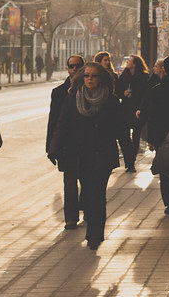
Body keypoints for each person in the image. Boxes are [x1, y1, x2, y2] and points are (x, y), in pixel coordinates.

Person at [48, 62, 123, 250]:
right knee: (88, 192)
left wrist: (128, 151)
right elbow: (62, 124)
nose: (90, 79)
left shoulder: (111, 100)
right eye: (87, 76)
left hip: (102, 154)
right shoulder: (72, 99)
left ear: (101, 78)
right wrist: (54, 148)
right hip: (80, 154)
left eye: (94, 76)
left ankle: (95, 234)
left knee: (97, 194)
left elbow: (120, 128)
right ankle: (92, 228)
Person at [140, 55, 169, 214]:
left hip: (162, 135)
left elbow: (153, 116)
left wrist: (151, 139)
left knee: (165, 169)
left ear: (164, 69)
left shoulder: (157, 90)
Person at [47, 55, 86, 229]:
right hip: (67, 145)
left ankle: (86, 206)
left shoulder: (91, 89)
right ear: (67, 68)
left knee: (87, 181)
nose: (74, 69)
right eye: (71, 66)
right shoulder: (58, 93)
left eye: (78, 66)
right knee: (69, 182)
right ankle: (71, 218)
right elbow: (54, 121)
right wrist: (51, 147)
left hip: (87, 144)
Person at [115, 55, 148, 172]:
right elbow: (117, 91)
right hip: (125, 109)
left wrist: (142, 108)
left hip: (137, 109)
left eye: (129, 61)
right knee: (125, 137)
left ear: (135, 64)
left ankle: (132, 161)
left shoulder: (144, 76)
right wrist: (123, 93)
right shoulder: (124, 76)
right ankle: (129, 159)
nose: (127, 62)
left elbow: (146, 94)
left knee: (136, 136)